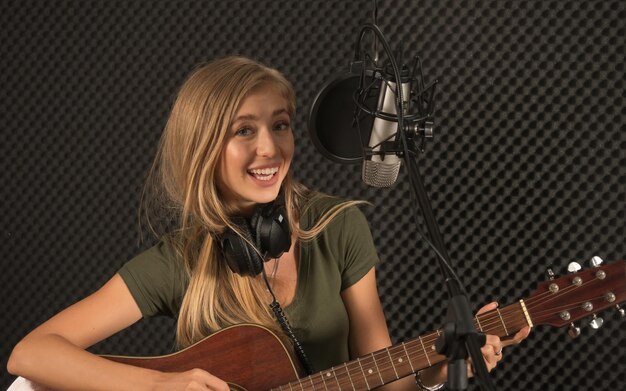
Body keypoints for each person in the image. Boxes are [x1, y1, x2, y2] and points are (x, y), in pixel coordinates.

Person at [8, 56, 530, 391]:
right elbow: (29, 354)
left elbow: (384, 376)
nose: (270, 148)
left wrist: (437, 371)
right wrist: (159, 386)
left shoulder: (338, 229)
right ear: (203, 148)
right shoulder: (179, 260)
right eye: (243, 130)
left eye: (280, 125)